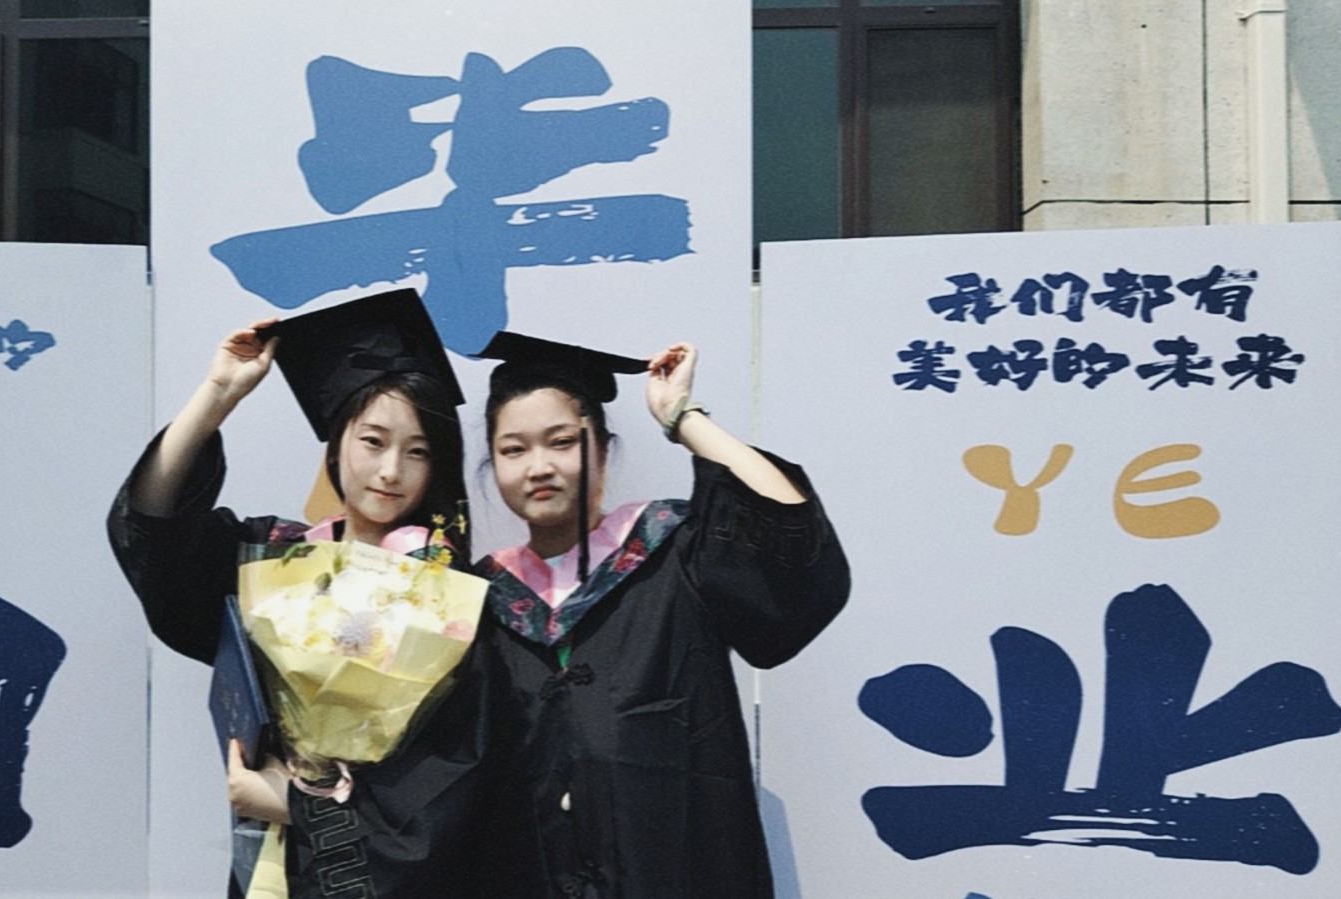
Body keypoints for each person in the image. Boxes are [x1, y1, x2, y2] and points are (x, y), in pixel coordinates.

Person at [106, 289, 489, 899]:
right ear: (336, 442)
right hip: (272, 866)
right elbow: (156, 525)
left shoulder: (456, 597)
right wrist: (219, 394)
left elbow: (457, 779)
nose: (391, 470)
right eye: (372, 441)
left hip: (399, 880)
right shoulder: (271, 558)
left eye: (418, 451)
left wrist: (300, 803)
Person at [470, 333, 850, 898]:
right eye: (513, 450)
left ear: (603, 450)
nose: (539, 466)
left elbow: (785, 527)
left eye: (562, 442)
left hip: (679, 872)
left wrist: (682, 417)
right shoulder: (479, 598)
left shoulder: (674, 552)